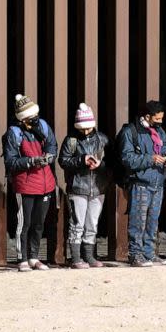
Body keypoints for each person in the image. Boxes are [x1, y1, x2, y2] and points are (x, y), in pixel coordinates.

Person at [4, 94, 57, 272]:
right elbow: (10, 161)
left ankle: (34, 256)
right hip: (25, 184)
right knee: (23, 223)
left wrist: (49, 156)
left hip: (45, 182)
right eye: (30, 118)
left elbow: (52, 145)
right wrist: (31, 161)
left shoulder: (43, 126)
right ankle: (22, 257)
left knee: (39, 222)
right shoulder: (14, 133)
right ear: (23, 119)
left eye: (36, 116)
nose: (35, 120)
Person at [118, 100, 166, 267]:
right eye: (157, 119)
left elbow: (164, 148)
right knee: (138, 221)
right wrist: (150, 159)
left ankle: (149, 254)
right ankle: (135, 255)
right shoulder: (130, 132)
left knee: (153, 221)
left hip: (158, 181)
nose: (160, 122)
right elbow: (127, 158)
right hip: (140, 182)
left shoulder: (160, 131)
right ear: (147, 116)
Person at [59, 103, 110, 269]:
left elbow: (111, 163)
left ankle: (89, 256)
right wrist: (82, 160)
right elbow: (63, 161)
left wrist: (100, 165)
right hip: (78, 188)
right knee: (77, 224)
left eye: (88, 128)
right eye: (82, 128)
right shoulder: (71, 140)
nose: (86, 131)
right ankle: (75, 258)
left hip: (97, 188)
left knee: (92, 224)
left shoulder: (102, 139)